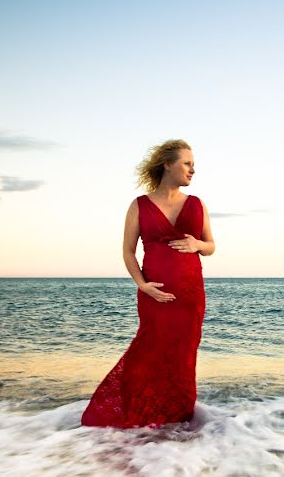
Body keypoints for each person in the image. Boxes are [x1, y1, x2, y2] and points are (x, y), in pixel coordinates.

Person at [80, 139, 215, 428]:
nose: (193, 170)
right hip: (154, 295)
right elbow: (128, 251)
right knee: (148, 350)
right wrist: (142, 285)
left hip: (190, 297)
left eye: (193, 165)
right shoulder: (139, 206)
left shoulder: (197, 204)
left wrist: (197, 244)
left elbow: (211, 245)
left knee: (182, 356)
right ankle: (138, 414)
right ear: (167, 164)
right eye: (187, 164)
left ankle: (177, 420)